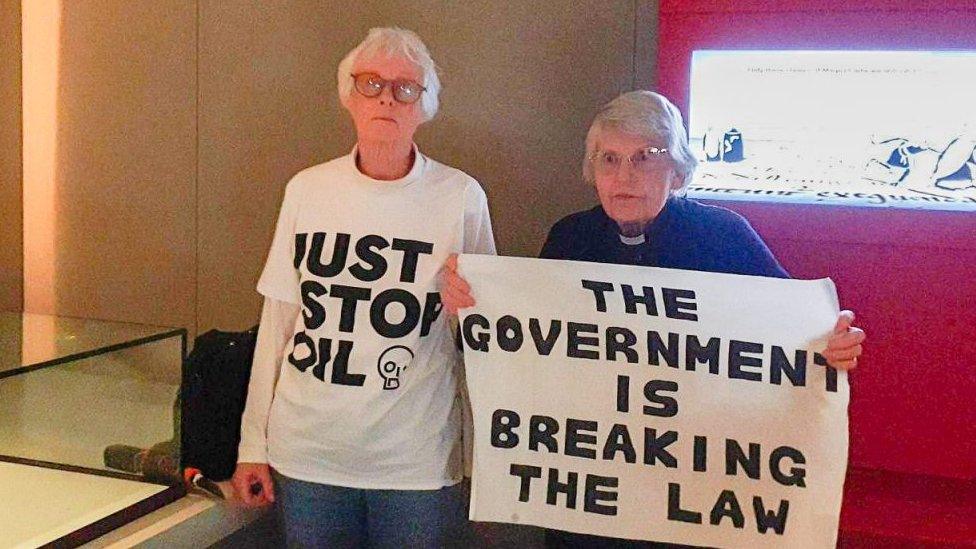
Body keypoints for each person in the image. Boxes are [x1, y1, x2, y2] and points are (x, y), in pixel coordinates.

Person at [441, 90, 865, 548]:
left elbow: (793, 334)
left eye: (645, 158)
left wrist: (831, 343)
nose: (625, 176)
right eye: (609, 159)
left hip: (691, 494)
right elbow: (524, 348)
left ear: (677, 169)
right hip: (592, 492)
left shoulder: (724, 236)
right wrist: (470, 310)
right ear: (592, 171)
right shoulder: (571, 237)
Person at [232, 27, 495, 548]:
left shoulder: (459, 196)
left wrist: (464, 306)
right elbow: (278, 323)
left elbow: (488, 334)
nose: (385, 98)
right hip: (307, 453)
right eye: (370, 83)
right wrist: (250, 445)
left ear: (426, 106)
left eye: (405, 88)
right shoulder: (307, 190)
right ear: (348, 97)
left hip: (415, 461)